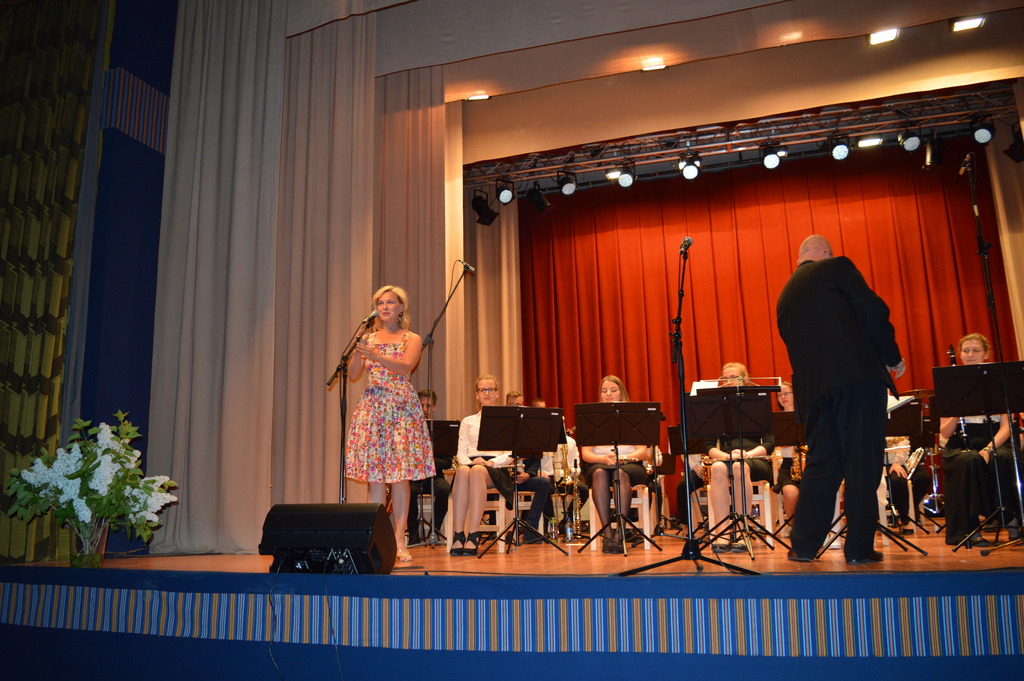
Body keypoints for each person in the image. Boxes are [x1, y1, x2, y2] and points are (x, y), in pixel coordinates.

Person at [776, 235, 905, 564]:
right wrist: (891, 355)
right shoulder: (836, 267)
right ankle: (858, 548)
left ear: (800, 257)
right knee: (862, 460)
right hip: (855, 378)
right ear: (826, 252)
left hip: (813, 392)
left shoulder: (784, 296)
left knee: (822, 463)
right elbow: (871, 310)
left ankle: (803, 545)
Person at [345, 285, 435, 562]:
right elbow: (353, 374)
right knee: (375, 476)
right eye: (380, 303)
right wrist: (359, 349)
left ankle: (399, 538)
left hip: (400, 408)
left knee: (399, 475)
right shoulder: (369, 338)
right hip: (373, 407)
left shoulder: (412, 338)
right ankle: (376, 537)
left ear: (401, 308)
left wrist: (376, 356)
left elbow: (405, 367)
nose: (384, 307)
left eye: (390, 303)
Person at [448, 375, 552, 555]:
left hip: (496, 468)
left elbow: (510, 454)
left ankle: (473, 534)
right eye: (482, 390)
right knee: (463, 471)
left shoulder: (507, 419)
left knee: (478, 471)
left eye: (491, 389)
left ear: (497, 394)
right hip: (471, 463)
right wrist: (470, 462)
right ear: (477, 395)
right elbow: (461, 452)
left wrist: (489, 462)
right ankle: (458, 535)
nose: (487, 393)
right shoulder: (468, 421)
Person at [939, 333, 1019, 546]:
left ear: (986, 354)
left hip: (995, 439)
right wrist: (958, 408)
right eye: (966, 351)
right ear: (960, 354)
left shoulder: (1000, 380)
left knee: (1004, 458)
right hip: (961, 442)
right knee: (969, 460)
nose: (970, 354)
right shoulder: (950, 383)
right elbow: (945, 433)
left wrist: (988, 449)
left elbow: (1006, 427)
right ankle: (971, 530)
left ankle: (1013, 523)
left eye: (976, 350)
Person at [704, 363, 775, 552]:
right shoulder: (716, 409)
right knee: (717, 467)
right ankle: (723, 533)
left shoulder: (757, 405)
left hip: (755, 459)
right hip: (727, 458)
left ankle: (743, 531)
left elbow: (769, 443)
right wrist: (726, 456)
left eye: (734, 377)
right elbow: (709, 445)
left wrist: (747, 454)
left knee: (739, 467)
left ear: (745, 380)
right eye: (725, 378)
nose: (729, 382)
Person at [579, 375, 651, 553]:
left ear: (621, 393)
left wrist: (623, 458)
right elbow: (586, 454)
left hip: (630, 464)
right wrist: (603, 459)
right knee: (599, 473)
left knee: (620, 473)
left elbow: (643, 452)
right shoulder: (591, 417)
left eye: (613, 390)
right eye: (604, 391)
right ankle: (607, 533)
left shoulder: (633, 415)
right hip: (600, 463)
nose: (608, 394)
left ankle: (621, 531)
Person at [407, 389, 453, 544]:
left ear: (434, 407)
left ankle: (435, 530)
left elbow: (447, 462)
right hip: (413, 477)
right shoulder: (408, 429)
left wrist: (428, 461)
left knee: (445, 489)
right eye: (421, 406)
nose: (425, 409)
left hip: (434, 477)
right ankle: (413, 535)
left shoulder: (441, 430)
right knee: (408, 491)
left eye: (428, 406)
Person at [773, 381, 801, 527]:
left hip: (807, 463)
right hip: (788, 465)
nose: (783, 397)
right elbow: (777, 443)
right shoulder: (776, 421)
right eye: (779, 395)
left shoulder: (806, 416)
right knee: (790, 493)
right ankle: (794, 527)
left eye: (787, 393)